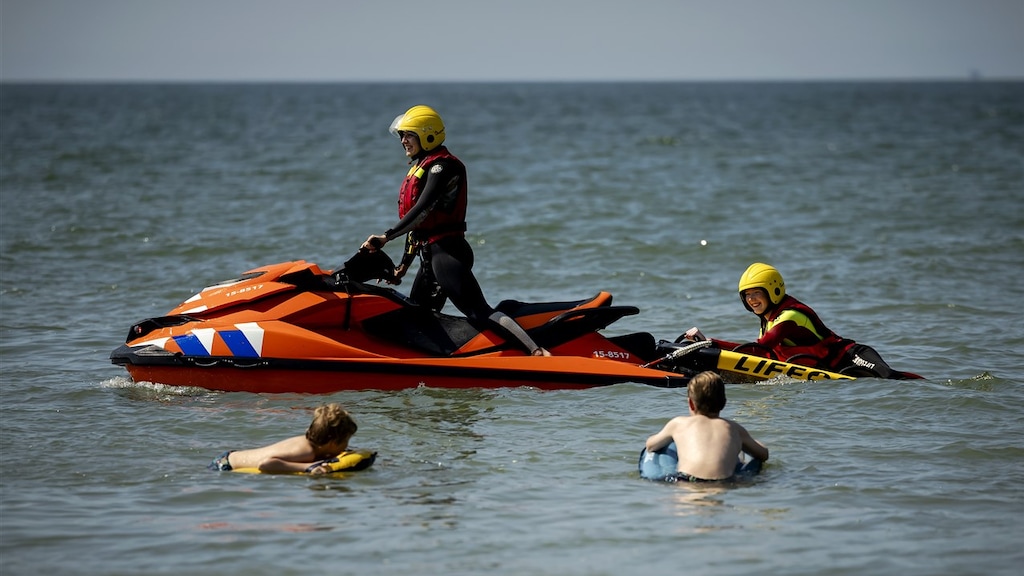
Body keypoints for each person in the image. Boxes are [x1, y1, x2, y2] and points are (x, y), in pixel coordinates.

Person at [361, 104, 550, 357]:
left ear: (428, 135)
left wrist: (386, 236)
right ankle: (443, 365)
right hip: (430, 257)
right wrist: (403, 266)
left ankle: (537, 352)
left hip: (448, 254)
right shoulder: (421, 166)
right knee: (417, 317)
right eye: (402, 135)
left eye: (409, 135)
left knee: (478, 311)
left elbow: (423, 210)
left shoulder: (444, 167)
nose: (403, 140)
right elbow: (416, 226)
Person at [685, 263, 918, 379]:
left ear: (773, 291)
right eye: (748, 295)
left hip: (852, 356)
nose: (752, 300)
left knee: (891, 380)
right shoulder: (768, 319)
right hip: (831, 368)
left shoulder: (790, 316)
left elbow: (760, 348)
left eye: (757, 293)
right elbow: (764, 354)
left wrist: (710, 343)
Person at [645, 371, 769, 482]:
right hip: (724, 483)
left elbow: (651, 446)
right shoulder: (734, 428)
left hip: (687, 481)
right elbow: (763, 454)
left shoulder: (678, 424)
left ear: (691, 403)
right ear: (724, 403)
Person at [208, 403, 358, 474]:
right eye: (346, 441)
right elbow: (265, 464)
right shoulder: (305, 451)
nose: (346, 446)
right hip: (225, 464)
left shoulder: (311, 444)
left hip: (229, 456)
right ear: (332, 442)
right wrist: (307, 467)